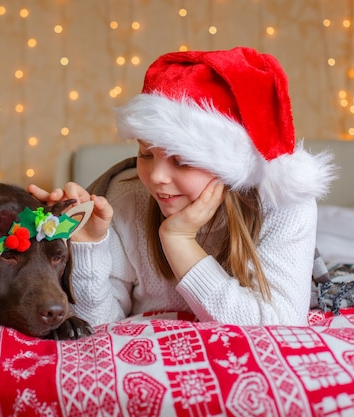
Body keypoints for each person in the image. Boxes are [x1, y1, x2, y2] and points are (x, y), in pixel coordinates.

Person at [29, 46, 335, 327]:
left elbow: (278, 325)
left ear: (230, 166)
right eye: (146, 154)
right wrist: (88, 245)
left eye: (182, 161)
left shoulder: (284, 206)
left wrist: (179, 240)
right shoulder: (126, 198)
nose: (157, 176)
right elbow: (97, 325)